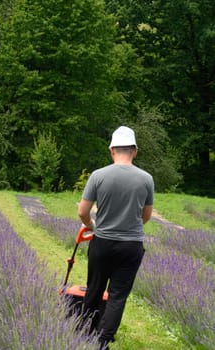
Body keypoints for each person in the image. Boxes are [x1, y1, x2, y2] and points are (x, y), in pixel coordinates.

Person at [77, 126, 154, 349]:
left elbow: (83, 211)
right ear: (135, 151)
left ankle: (85, 334)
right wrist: (129, 228)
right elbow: (146, 216)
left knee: (94, 289)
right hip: (131, 247)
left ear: (112, 150)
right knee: (117, 296)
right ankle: (102, 342)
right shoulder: (146, 179)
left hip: (102, 243)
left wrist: (91, 226)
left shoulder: (98, 176)